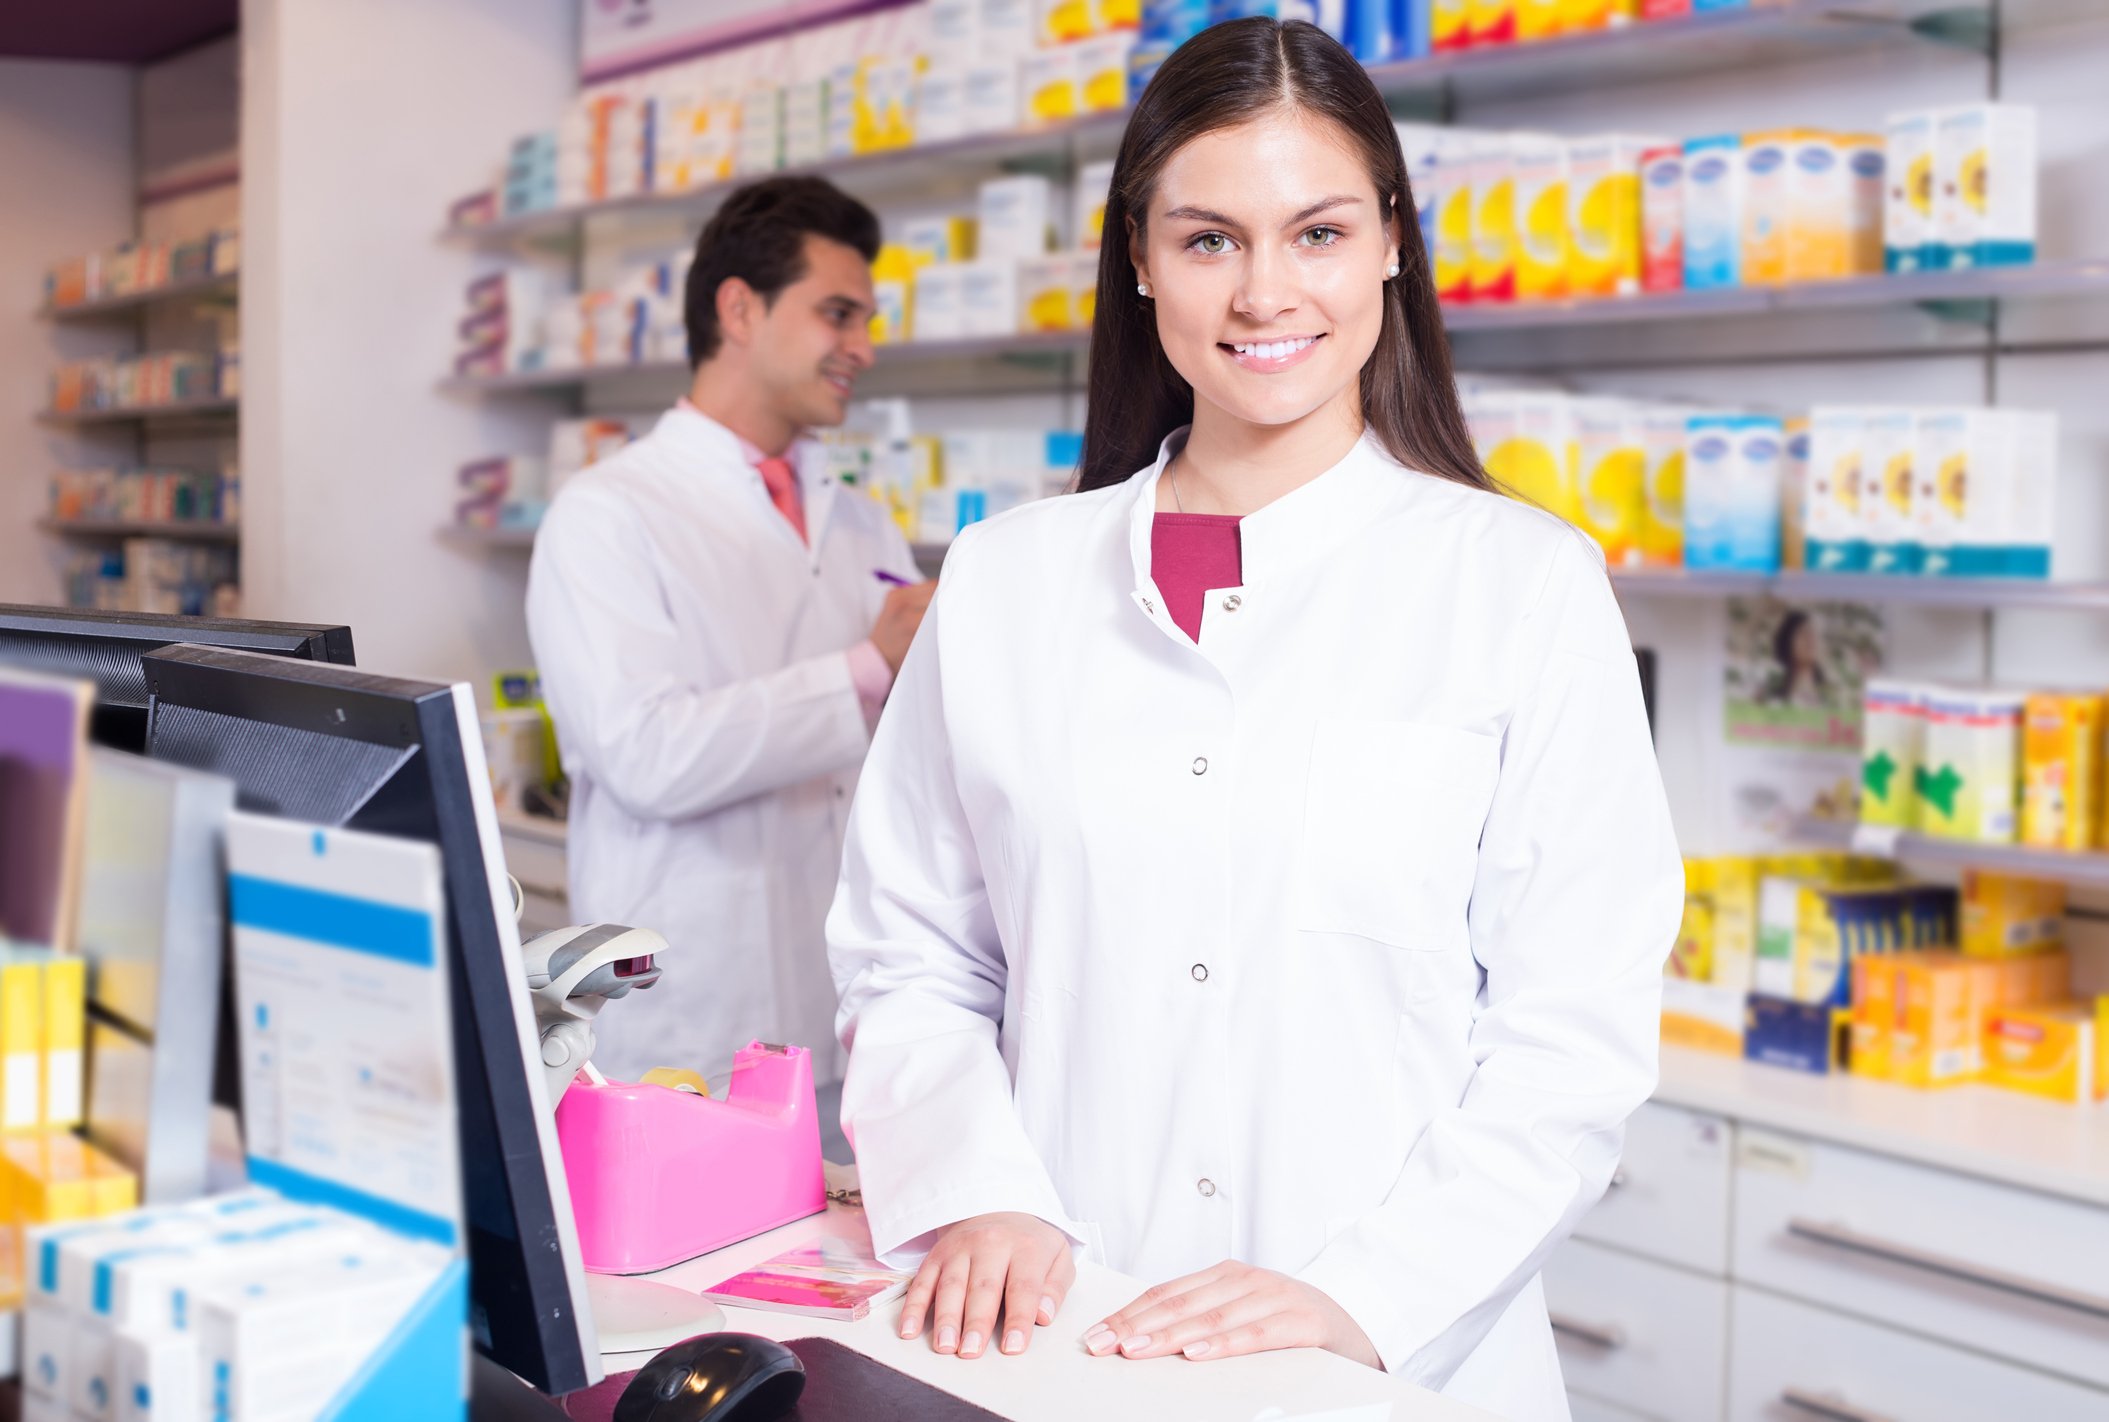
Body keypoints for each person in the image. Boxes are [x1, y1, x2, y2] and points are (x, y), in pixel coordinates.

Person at [825, 18, 1681, 1421]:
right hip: (1057, 1333)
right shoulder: (1004, 581)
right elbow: (912, 949)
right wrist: (976, 1196)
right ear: (1141, 257)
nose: (1265, 290)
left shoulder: (1520, 584)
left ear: (1393, 245)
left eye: (1319, 232)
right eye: (1209, 238)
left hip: (1395, 1360)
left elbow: (1570, 1032)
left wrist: (1367, 1289)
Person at [528, 176, 932, 1085]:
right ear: (740, 310)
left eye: (867, 320)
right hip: (695, 1017)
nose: (863, 348)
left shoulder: (862, 520)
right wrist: (868, 668)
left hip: (855, 1001)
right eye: (839, 314)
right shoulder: (608, 514)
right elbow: (646, 755)